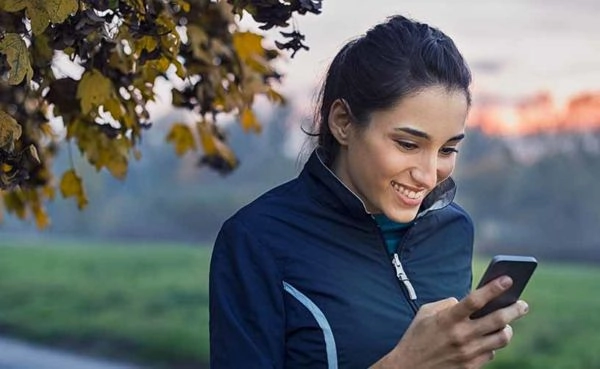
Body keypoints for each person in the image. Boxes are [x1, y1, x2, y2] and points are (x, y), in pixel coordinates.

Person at [209, 15, 529, 369]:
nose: (427, 175)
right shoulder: (257, 240)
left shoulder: (453, 231)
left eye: (448, 149)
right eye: (408, 144)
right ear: (343, 122)